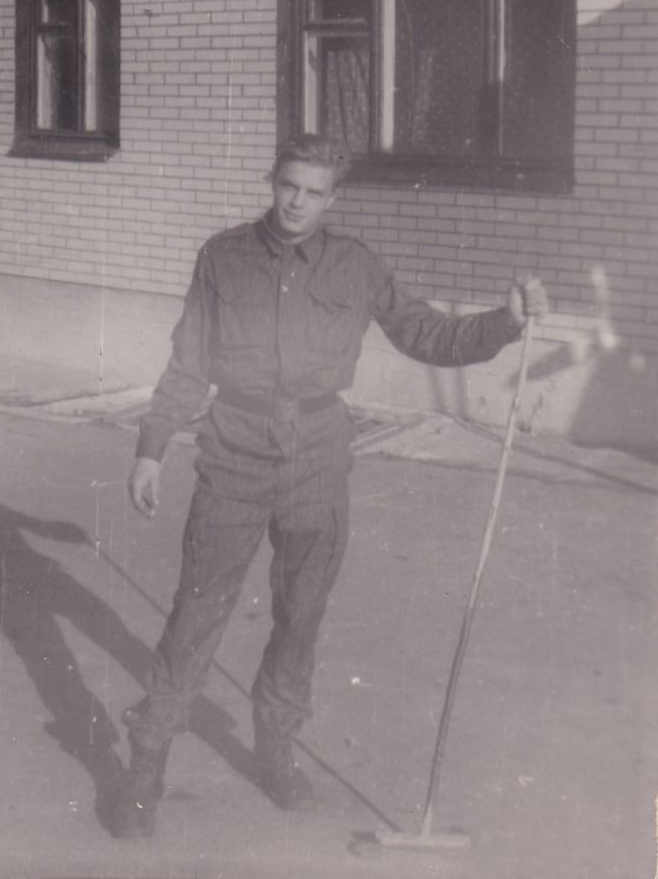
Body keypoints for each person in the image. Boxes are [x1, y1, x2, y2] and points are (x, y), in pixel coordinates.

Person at [113, 134, 548, 837]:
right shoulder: (222, 257)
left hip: (317, 458)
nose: (297, 203)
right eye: (289, 186)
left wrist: (506, 324)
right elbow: (189, 361)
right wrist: (150, 449)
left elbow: (428, 336)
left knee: (301, 614)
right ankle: (145, 765)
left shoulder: (357, 266)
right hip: (235, 453)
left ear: (332, 200)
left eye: (314, 193)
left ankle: (276, 749)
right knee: (196, 612)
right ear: (272, 182)